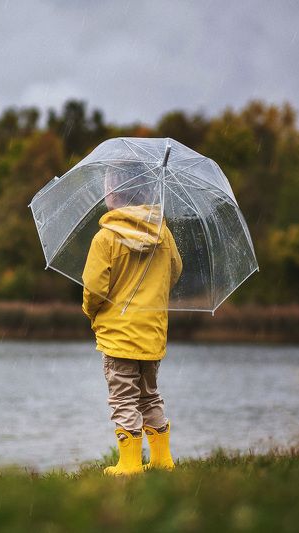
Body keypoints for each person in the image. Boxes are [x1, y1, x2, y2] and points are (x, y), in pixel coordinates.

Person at [82, 167, 182, 476]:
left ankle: (129, 464)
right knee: (149, 394)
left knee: (122, 398)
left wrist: (90, 310)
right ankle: (162, 459)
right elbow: (175, 270)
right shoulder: (161, 233)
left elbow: (94, 288)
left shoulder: (106, 238)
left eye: (108, 187)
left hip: (118, 336)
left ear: (113, 194)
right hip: (151, 333)